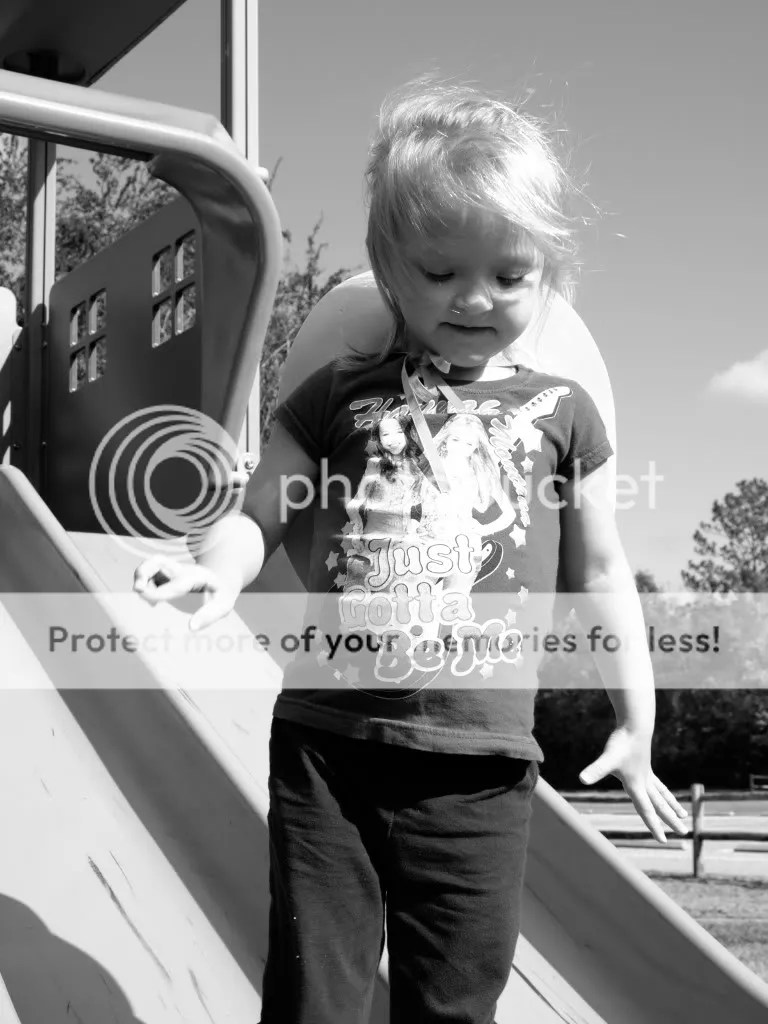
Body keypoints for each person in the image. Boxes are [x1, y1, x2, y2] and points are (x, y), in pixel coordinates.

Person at [134, 77, 688, 1024]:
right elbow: (260, 512)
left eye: (509, 275)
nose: (474, 298)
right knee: (314, 996)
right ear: (390, 268)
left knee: (455, 1001)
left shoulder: (563, 413)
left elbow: (599, 572)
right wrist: (214, 570)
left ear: (547, 274)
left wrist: (637, 721)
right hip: (327, 752)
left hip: (480, 770)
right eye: (439, 272)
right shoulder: (338, 394)